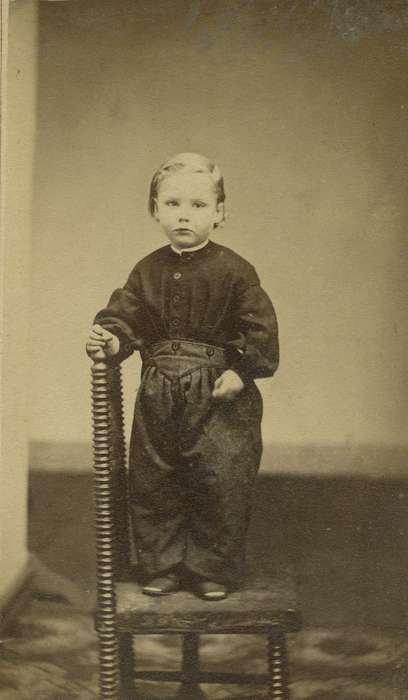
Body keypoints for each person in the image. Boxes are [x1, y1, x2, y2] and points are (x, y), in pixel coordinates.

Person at [86, 152, 279, 601]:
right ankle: (164, 564)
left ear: (220, 213)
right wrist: (113, 341)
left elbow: (260, 330)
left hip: (217, 394)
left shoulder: (236, 271)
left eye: (197, 205)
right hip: (158, 393)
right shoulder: (146, 270)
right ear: (155, 210)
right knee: (156, 479)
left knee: (219, 478)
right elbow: (125, 315)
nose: (184, 215)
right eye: (172, 204)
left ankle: (212, 568)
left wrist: (242, 371)